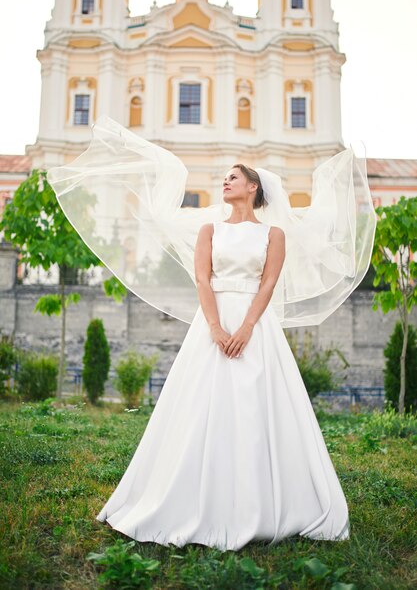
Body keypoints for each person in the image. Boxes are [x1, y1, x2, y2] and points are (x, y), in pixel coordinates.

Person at [46, 115, 376, 551]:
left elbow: (268, 284)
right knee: (199, 405)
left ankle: (268, 501)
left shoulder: (274, 234)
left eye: (233, 177)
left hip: (255, 326)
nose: (225, 182)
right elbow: (203, 280)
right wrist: (218, 327)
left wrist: (245, 327)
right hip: (213, 322)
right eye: (224, 178)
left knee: (260, 405)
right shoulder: (209, 229)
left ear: (253, 187)